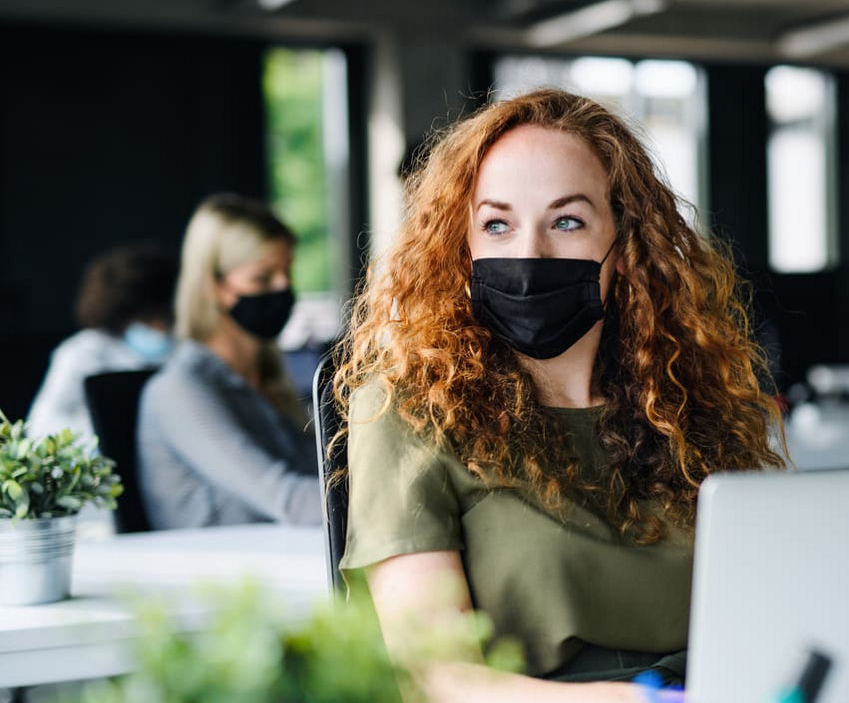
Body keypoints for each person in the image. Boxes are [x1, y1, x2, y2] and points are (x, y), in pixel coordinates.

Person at [334, 89, 786, 702]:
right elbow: (434, 680)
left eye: (566, 221)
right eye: (497, 224)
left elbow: (769, 619)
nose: (529, 253)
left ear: (625, 247)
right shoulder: (408, 410)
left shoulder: (692, 404)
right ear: (459, 248)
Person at [137, 193, 322, 529]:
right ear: (214, 285)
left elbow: (320, 475)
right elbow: (289, 501)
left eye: (288, 273)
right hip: (223, 577)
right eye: (263, 278)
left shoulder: (269, 381)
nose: (284, 288)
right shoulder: (178, 390)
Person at [27, 244, 178, 440]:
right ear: (126, 312)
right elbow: (42, 426)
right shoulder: (83, 352)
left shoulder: (183, 349)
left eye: (164, 318)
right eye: (149, 319)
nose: (160, 328)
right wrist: (104, 435)